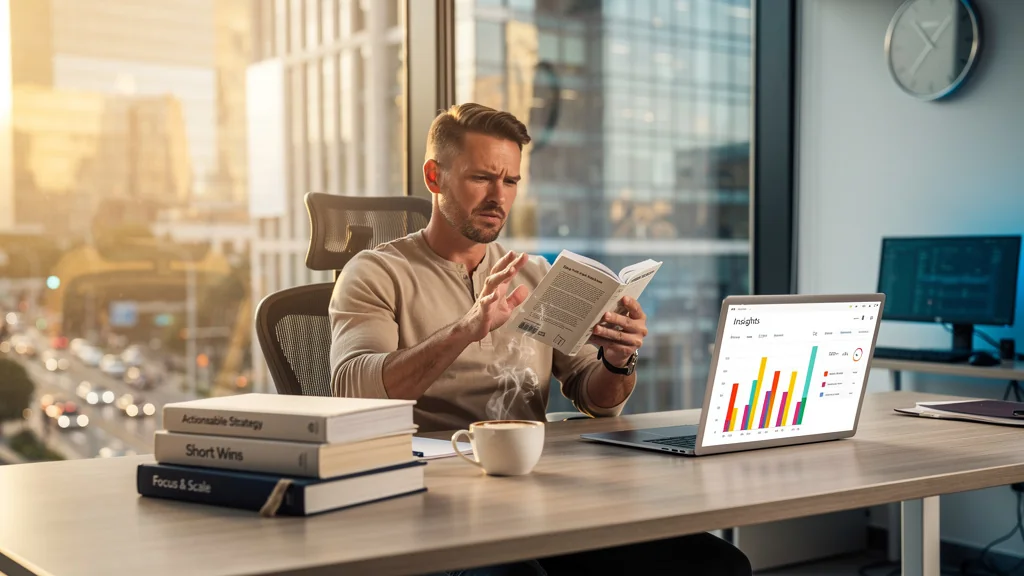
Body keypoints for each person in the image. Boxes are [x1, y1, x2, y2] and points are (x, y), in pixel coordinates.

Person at [329, 103, 751, 576]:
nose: (499, 197)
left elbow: (597, 401)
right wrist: (468, 328)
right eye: (482, 178)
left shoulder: (534, 273)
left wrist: (616, 360)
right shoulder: (375, 273)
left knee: (715, 564)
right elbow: (352, 390)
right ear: (434, 177)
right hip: (433, 498)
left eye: (510, 181)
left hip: (536, 490)